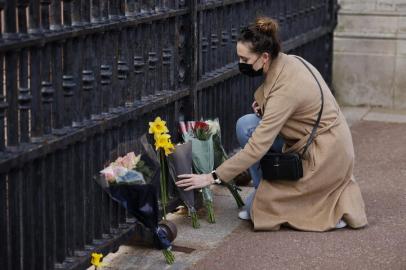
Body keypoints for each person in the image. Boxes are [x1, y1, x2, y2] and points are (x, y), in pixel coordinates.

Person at [176, 16, 368, 231]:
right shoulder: (290, 61)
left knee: (255, 209)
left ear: (264, 57)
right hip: (321, 142)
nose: (241, 64)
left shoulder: (286, 90)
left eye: (245, 60)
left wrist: (211, 177)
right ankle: (264, 191)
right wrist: (265, 107)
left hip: (325, 156)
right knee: (247, 124)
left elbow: (257, 147)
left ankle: (298, 203)